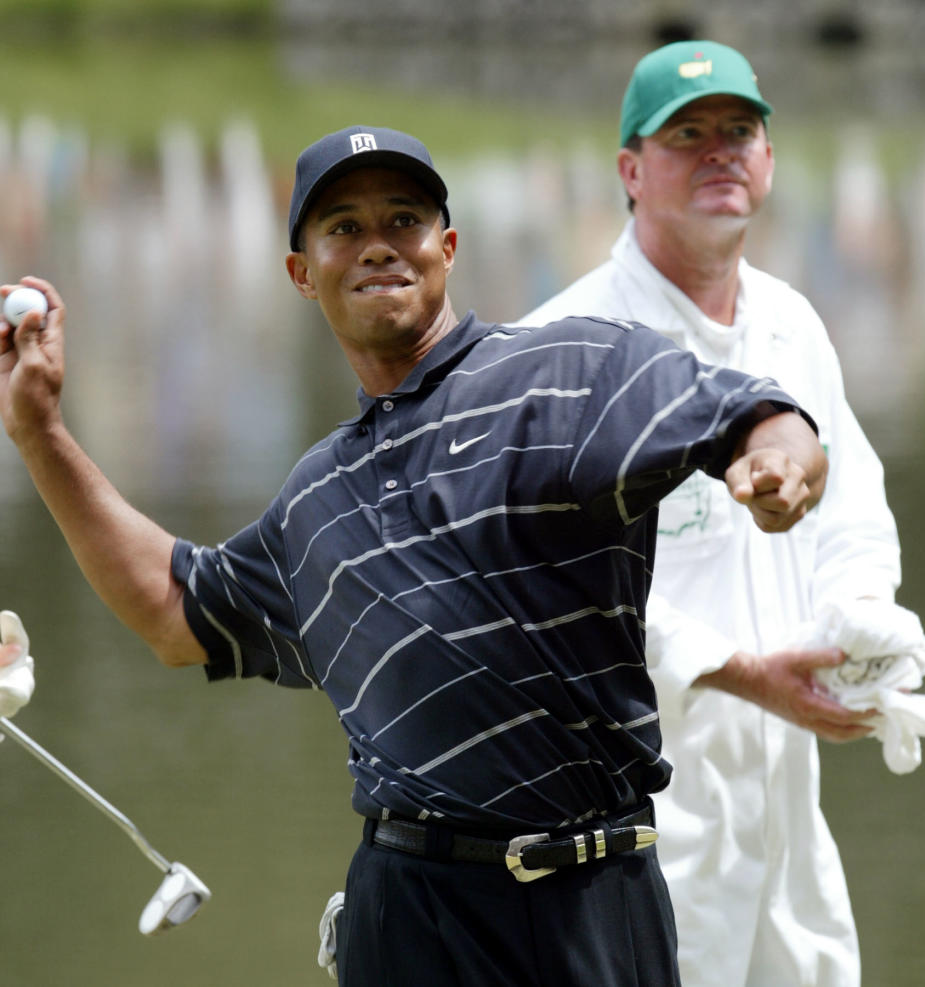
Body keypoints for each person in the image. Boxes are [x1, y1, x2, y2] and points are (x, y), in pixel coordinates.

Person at [1, 124, 831, 986]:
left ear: (447, 247)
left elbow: (755, 414)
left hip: (585, 898)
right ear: (301, 271)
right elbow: (174, 612)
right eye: (344, 228)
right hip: (402, 913)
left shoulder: (571, 370)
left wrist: (780, 463)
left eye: (404, 219)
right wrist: (39, 432)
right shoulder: (315, 501)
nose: (379, 246)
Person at [522, 40, 904, 987]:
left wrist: (863, 617)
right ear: (629, 169)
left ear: (770, 159)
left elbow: (853, 503)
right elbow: (547, 589)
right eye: (686, 135)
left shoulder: (792, 325)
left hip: (785, 787)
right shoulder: (562, 351)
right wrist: (737, 672)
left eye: (739, 132)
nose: (718, 153)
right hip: (637, 813)